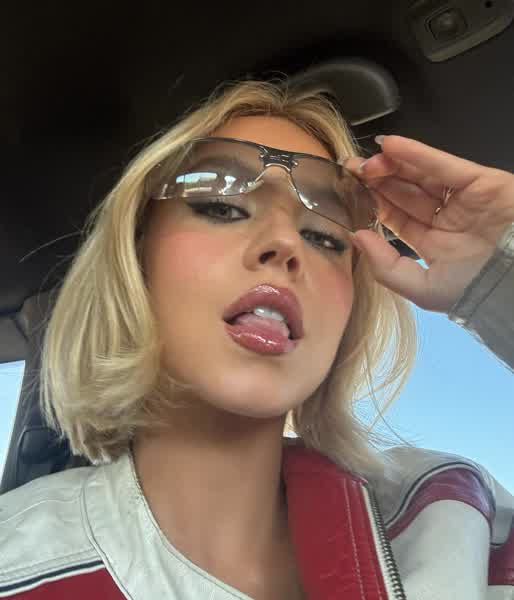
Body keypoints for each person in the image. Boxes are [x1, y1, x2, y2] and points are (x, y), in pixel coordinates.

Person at [0, 79, 513, 600]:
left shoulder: (454, 518)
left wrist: (502, 278)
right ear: (136, 260)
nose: (286, 243)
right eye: (221, 207)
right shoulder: (15, 563)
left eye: (324, 237)